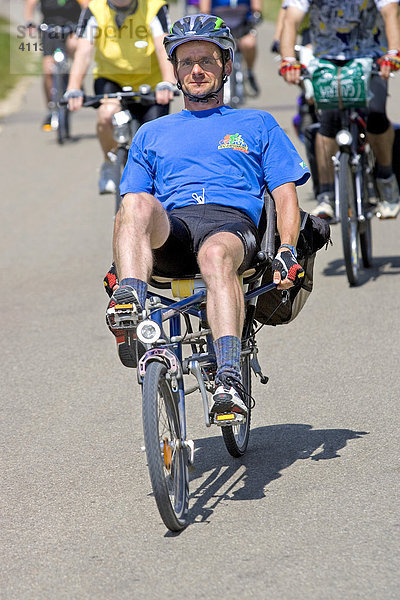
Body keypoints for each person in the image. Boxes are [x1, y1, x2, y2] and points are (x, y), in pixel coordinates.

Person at [105, 14, 310, 418]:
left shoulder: (256, 123)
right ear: (176, 72)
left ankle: (229, 376)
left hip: (230, 226)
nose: (196, 70)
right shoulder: (152, 132)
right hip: (176, 230)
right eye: (186, 62)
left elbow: (286, 194)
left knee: (215, 255)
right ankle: (130, 298)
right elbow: (135, 214)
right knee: (133, 201)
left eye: (207, 61)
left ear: (226, 66)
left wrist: (287, 249)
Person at [280, 0, 400, 220]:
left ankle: (386, 181)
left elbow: (390, 12)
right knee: (328, 122)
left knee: (375, 114)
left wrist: (393, 52)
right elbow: (291, 19)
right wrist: (288, 60)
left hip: (371, 55)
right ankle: (326, 195)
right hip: (326, 58)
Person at [65, 0, 176, 194]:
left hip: (150, 81)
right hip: (111, 77)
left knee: (156, 138)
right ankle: (110, 162)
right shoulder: (95, 9)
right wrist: (74, 87)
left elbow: (163, 46)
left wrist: (167, 81)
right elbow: (83, 52)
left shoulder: (154, 6)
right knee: (107, 114)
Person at [24, 0, 89, 129]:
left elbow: (86, 5)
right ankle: (51, 108)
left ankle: (76, 82)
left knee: (76, 46)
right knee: (48, 69)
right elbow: (30, 3)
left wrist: (85, 23)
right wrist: (29, 22)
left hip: (72, 27)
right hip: (49, 28)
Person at [199, 0, 262, 95]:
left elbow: (256, 6)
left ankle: (249, 72)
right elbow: (204, 8)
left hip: (243, 20)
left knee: (249, 44)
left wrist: (257, 12)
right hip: (219, 22)